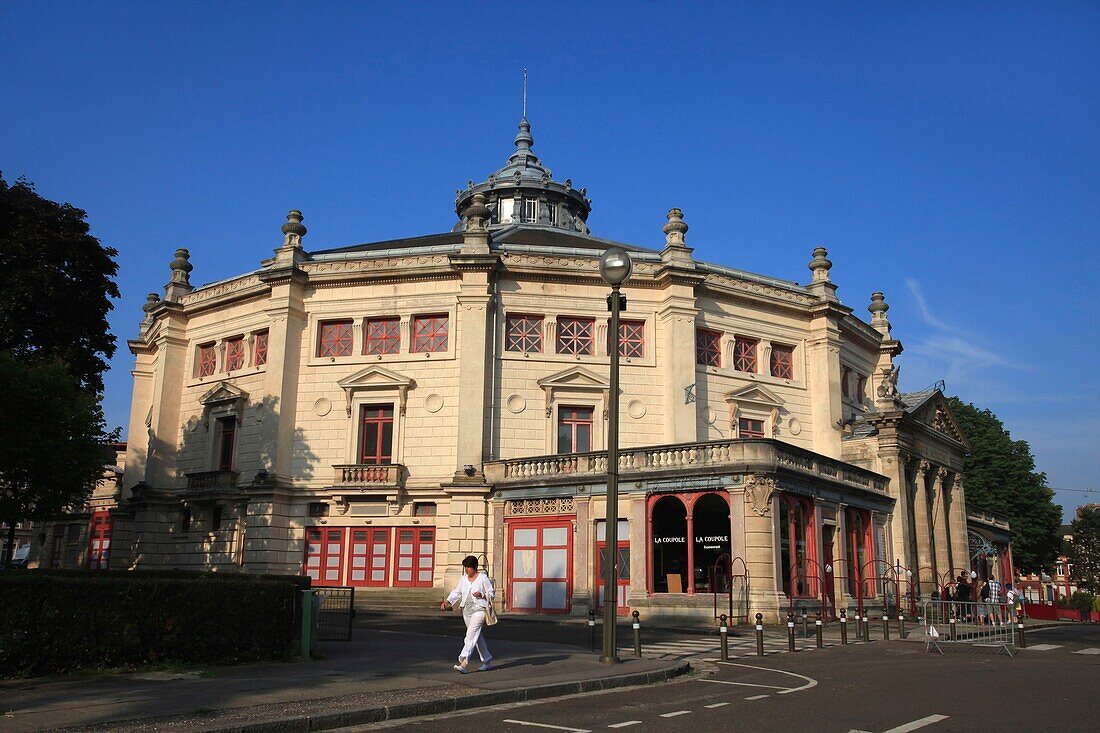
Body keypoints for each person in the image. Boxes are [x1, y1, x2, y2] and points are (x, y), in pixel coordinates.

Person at [441, 555, 494, 673]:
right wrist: (448, 601)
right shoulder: (463, 579)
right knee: (477, 637)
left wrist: (482, 595)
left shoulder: (483, 578)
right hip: (466, 611)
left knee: (470, 634)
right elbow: (457, 592)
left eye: (468, 567)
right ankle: (487, 660)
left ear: (474, 567)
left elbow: (491, 592)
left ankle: (464, 662)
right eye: (465, 567)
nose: (466, 570)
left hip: (479, 609)